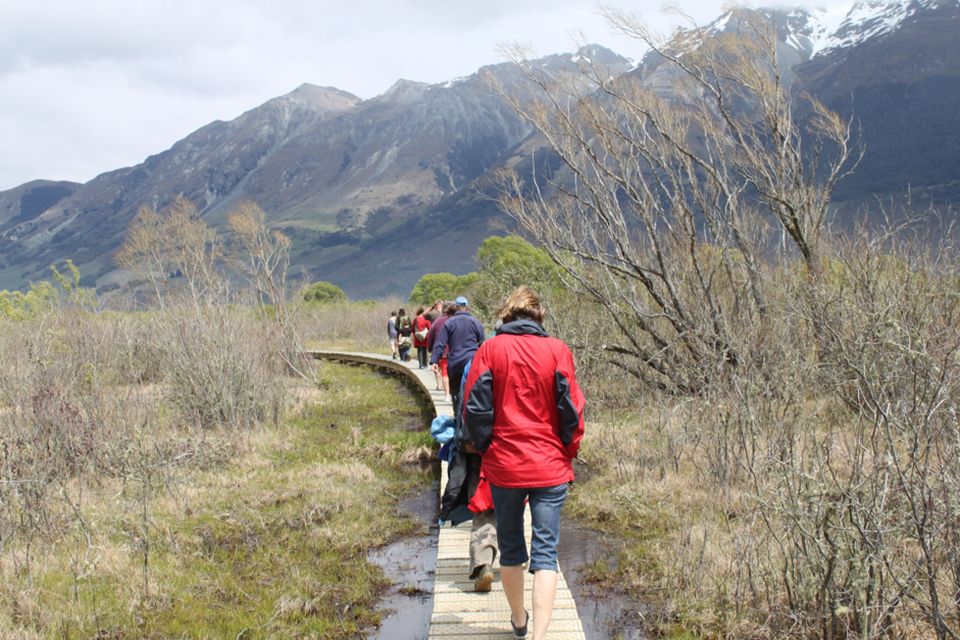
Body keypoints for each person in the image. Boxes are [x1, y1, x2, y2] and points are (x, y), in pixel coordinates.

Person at [462, 285, 585, 640]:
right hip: (549, 466)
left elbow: (475, 408)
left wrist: (490, 448)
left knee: (512, 548)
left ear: (507, 314)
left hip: (505, 466)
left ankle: (519, 620)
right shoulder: (558, 350)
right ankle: (539, 636)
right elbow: (572, 412)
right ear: (539, 315)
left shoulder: (490, 349)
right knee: (546, 553)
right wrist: (567, 452)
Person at [427, 302, 455, 400]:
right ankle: (455, 394)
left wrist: (430, 348)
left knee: (445, 372)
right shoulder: (456, 320)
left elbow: (431, 334)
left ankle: (447, 394)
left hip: (443, 351)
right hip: (456, 351)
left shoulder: (438, 321)